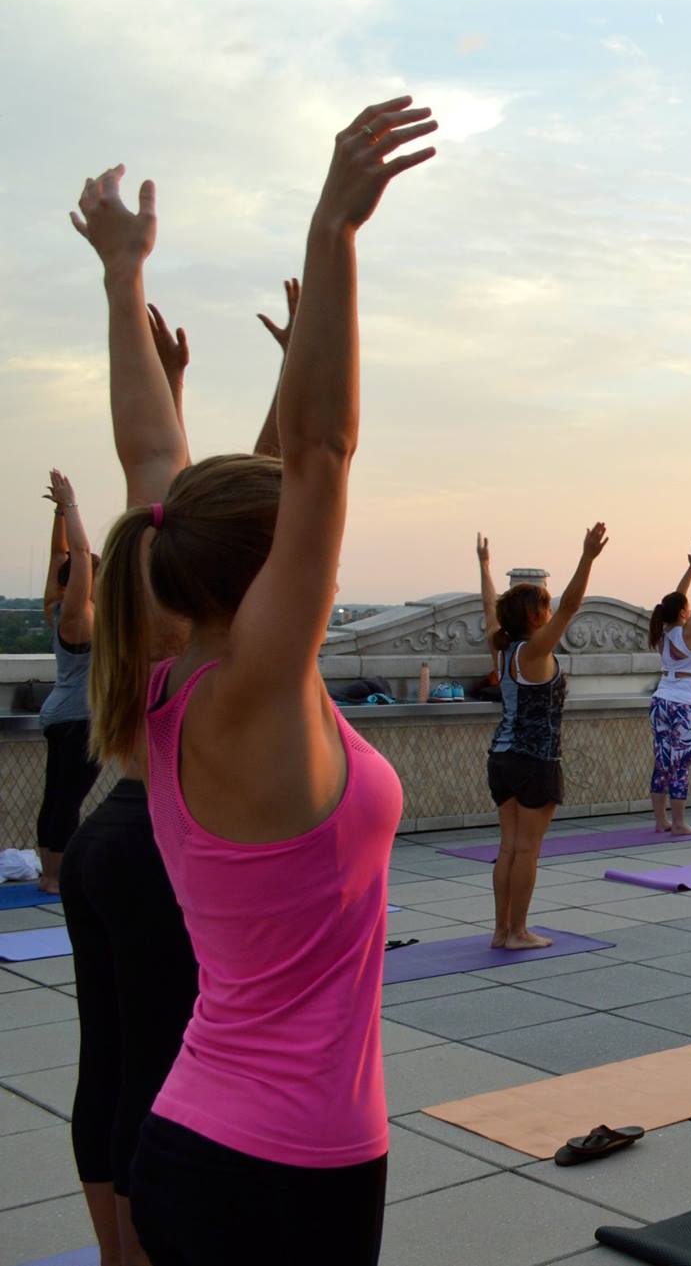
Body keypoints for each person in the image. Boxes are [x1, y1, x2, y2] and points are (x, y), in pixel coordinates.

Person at [87, 97, 435, 1265]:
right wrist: (330, 233)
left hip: (195, 1140)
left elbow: (153, 463)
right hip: (288, 1170)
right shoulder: (252, 695)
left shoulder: (165, 682)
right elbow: (324, 453)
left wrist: (122, 280)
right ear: (264, 571)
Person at [59, 166, 204, 1266]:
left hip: (114, 829)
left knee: (107, 1052)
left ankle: (116, 1252)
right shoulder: (225, 657)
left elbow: (157, 474)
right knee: (153, 1061)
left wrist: (123, 277)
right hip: (158, 856)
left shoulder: (151, 622)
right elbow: (180, 483)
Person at [477, 521, 608, 949]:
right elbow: (570, 606)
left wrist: (484, 567)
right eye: (545, 610)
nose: (552, 614)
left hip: (502, 756)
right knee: (527, 850)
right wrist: (587, 557)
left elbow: (488, 609)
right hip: (535, 760)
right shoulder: (533, 651)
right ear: (536, 617)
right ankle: (517, 931)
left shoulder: (504, 648)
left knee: (508, 846)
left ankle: (501, 931)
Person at [39, 470, 99, 894]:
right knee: (67, 799)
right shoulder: (78, 616)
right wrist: (73, 504)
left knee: (58, 794)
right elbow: (76, 553)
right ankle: (54, 877)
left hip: (63, 711)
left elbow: (60, 555)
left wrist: (59, 513)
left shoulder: (55, 606)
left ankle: (50, 874)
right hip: (79, 715)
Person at [647, 544, 691, 835]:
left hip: (661, 701)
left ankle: (661, 821)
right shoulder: (688, 633)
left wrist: (688, 569)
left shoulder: (663, 633)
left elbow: (676, 600)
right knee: (680, 765)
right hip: (686, 706)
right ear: (684, 613)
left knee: (662, 762)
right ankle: (679, 823)